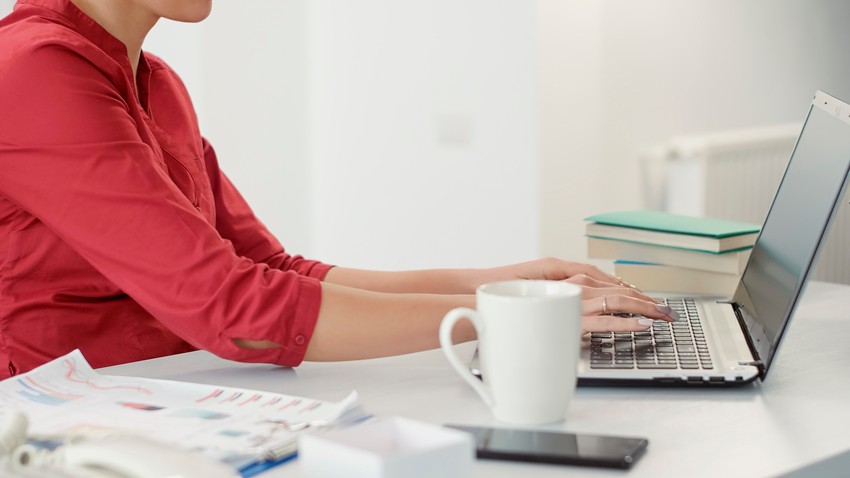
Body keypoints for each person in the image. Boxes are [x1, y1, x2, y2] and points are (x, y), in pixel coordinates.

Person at [0, 0, 678, 380]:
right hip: (65, 425)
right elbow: (236, 310)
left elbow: (272, 270)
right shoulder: (35, 69)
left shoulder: (160, 84)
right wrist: (510, 315)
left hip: (177, 400)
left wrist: (505, 282)